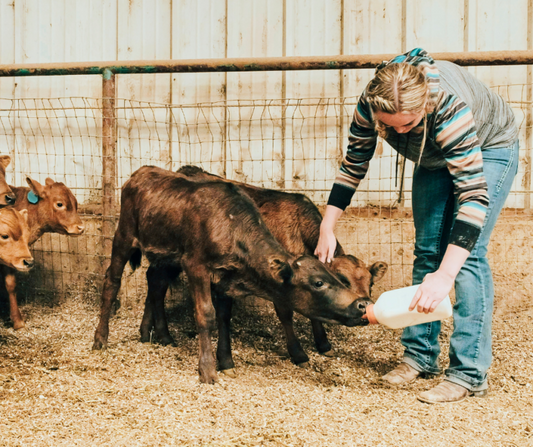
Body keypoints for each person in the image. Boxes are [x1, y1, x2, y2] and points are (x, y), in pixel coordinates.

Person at [315, 48, 519, 404]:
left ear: (424, 107)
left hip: (489, 148)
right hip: (433, 156)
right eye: (388, 127)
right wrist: (327, 226)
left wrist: (445, 276)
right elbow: (355, 162)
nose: (397, 132)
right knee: (427, 250)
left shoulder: (449, 109)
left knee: (464, 260)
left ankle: (469, 373)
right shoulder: (370, 102)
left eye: (406, 125)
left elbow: (473, 197)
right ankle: (420, 354)